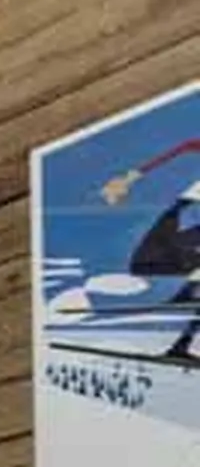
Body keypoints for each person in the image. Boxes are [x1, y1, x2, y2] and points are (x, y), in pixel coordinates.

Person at [97, 136, 200, 359]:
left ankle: (182, 344)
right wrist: (127, 179)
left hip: (176, 237)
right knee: (144, 263)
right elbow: (185, 146)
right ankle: (186, 299)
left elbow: (185, 147)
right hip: (169, 238)